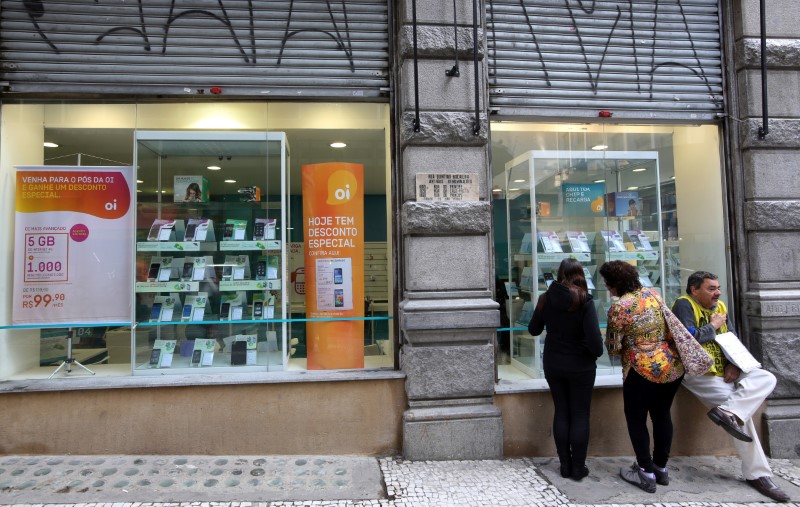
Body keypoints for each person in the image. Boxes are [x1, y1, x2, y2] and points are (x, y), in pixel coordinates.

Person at [671, 271, 789, 503]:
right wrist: (713, 326)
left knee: (766, 378)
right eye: (711, 288)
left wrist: (733, 364)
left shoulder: (721, 306)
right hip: (702, 372)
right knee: (742, 420)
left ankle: (728, 411)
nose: (717, 293)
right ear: (694, 290)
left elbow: (732, 337)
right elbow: (686, 340)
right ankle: (758, 475)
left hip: (725, 369)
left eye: (718, 288)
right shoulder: (684, 304)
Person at [599, 260, 684, 493]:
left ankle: (645, 471)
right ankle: (661, 468)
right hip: (670, 366)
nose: (607, 288)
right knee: (662, 415)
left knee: (636, 419)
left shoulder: (620, 306)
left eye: (608, 283)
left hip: (640, 369)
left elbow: (614, 348)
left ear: (614, 283)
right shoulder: (654, 295)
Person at [528, 258, 603, 481]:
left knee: (561, 410)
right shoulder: (585, 301)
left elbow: (533, 329)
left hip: (553, 363)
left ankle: (564, 465)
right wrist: (589, 352)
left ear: (559, 275)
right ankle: (578, 467)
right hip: (581, 366)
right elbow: (596, 346)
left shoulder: (545, 299)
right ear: (580, 275)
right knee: (580, 413)